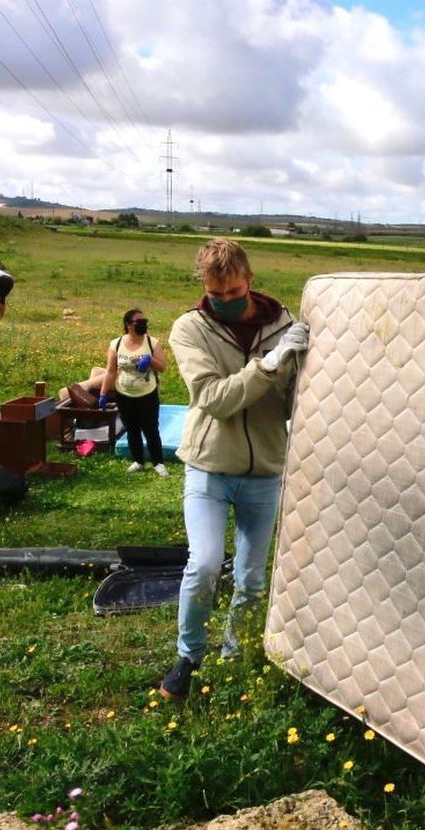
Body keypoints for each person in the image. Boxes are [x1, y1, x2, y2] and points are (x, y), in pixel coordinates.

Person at [159, 238, 308, 700]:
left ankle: (234, 654)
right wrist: (270, 365)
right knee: (203, 564)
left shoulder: (285, 326)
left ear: (250, 282)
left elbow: (294, 400)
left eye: (233, 291)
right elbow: (215, 400)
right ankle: (189, 656)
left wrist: (300, 367)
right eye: (215, 294)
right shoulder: (190, 328)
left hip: (264, 469)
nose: (224, 301)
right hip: (209, 469)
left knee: (251, 577)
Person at [101, 308, 170, 476]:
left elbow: (163, 367)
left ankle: (158, 463)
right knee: (131, 429)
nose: (143, 324)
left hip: (147, 393)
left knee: (151, 429)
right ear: (128, 325)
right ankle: (138, 461)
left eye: (144, 321)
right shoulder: (116, 344)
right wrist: (103, 394)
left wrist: (150, 360)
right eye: (139, 322)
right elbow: (110, 371)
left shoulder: (151, 343)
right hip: (124, 394)